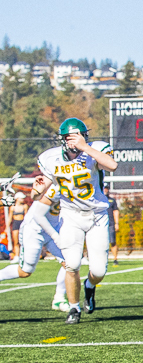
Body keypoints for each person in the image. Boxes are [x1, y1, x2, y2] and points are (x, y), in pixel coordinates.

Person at [36, 117, 118, 324]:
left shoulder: (95, 150)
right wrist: (37, 187)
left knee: (98, 270)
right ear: (63, 139)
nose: (75, 140)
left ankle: (89, 287)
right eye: (71, 137)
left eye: (79, 135)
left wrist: (84, 147)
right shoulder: (51, 158)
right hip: (70, 215)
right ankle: (74, 308)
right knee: (71, 264)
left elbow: (112, 165)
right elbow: (42, 185)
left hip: (97, 216)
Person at [0, 183, 68, 311]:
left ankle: (59, 299)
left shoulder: (78, 186)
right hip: (34, 230)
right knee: (25, 272)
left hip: (54, 229)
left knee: (70, 263)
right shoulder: (56, 183)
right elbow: (36, 196)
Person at [8, 191, 28, 263]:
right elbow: (10, 218)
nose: (22, 199)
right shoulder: (12, 207)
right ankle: (16, 256)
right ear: (17, 198)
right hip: (16, 224)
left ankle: (24, 256)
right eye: (21, 198)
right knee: (16, 241)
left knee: (23, 241)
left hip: (22, 224)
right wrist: (6, 227)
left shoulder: (25, 206)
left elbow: (26, 217)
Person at [103, 184, 120, 266]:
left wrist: (117, 223)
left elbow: (115, 211)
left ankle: (115, 259)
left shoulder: (112, 200)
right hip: (100, 224)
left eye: (107, 188)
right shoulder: (98, 200)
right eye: (104, 188)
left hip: (110, 224)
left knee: (113, 241)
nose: (105, 190)